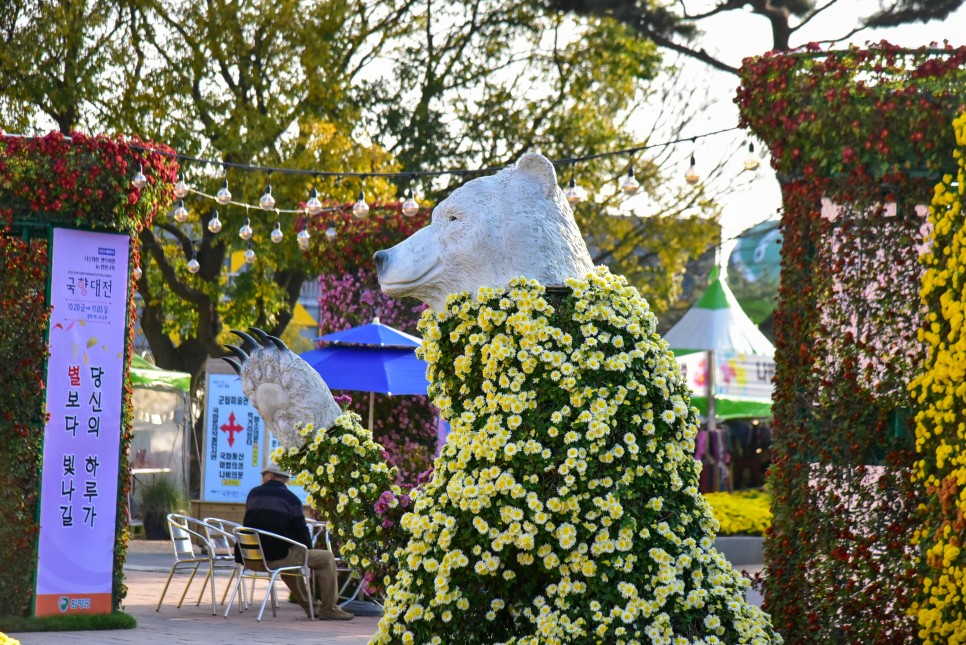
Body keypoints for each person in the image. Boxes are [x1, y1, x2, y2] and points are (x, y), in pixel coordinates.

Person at [240, 464, 353, 621]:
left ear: (270, 475)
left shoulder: (253, 494)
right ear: (285, 479)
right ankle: (329, 608)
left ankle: (312, 608)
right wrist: (307, 549)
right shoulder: (291, 499)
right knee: (325, 558)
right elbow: (300, 530)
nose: (262, 478)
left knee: (291, 559)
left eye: (263, 474)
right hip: (275, 558)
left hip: (250, 559)